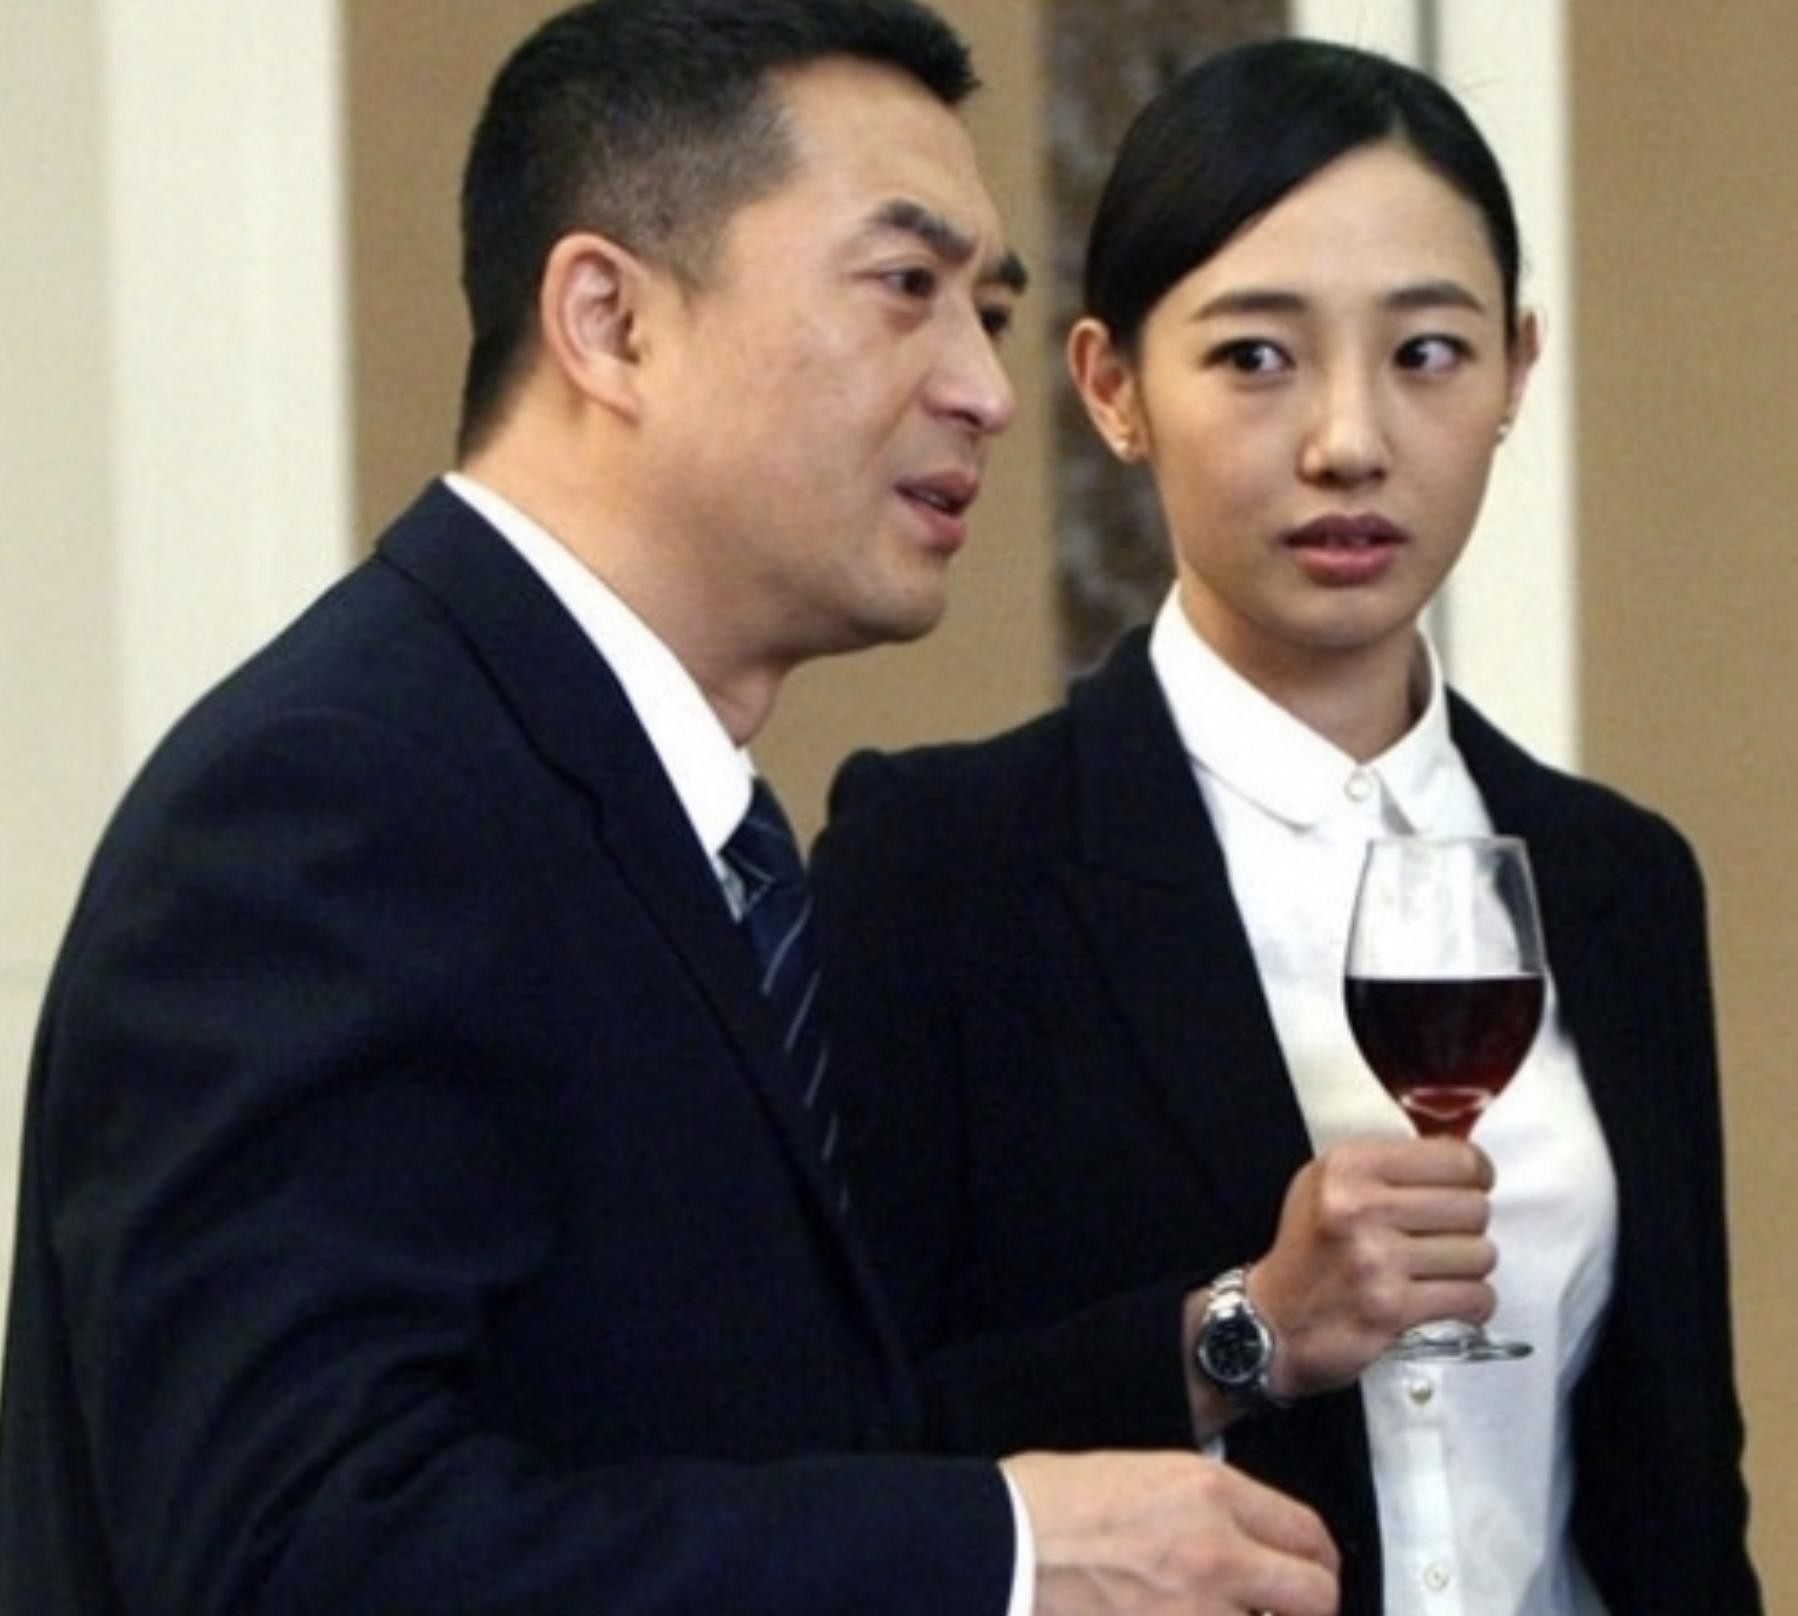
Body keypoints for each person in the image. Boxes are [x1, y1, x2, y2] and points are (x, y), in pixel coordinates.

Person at [0, 5, 1344, 1614]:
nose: (985, 390)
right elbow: (293, 1554)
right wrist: (992, 1555)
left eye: (986, 312)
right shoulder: (336, 800)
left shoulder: (668, 821)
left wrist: (1216, 1348)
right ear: (610, 321)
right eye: (903, 287)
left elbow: (739, 1435)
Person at [814, 36, 1760, 1616]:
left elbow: (1677, 1492)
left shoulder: (1613, 877)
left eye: (1427, 352)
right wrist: (1236, 1332)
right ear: (1112, 388)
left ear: (1516, 372)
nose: (1347, 440)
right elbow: (849, 1444)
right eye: (1255, 356)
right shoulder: (943, 863)